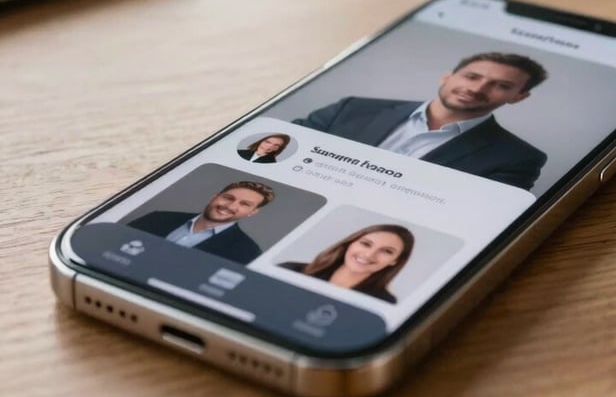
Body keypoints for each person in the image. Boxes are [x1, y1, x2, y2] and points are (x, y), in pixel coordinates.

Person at [293, 52, 548, 189]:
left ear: (519, 97)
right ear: (447, 77)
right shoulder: (353, 108)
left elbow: (476, 217)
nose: (477, 88)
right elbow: (283, 147)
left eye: (501, 85)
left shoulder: (519, 158)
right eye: (471, 76)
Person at [127, 181, 275, 265]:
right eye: (228, 198)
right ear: (214, 197)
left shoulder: (247, 251)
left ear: (252, 212)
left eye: (244, 204)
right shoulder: (158, 217)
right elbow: (116, 243)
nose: (230, 206)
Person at [281, 224, 415, 304]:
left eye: (386, 251)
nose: (369, 255)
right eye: (366, 244)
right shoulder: (291, 269)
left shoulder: (384, 302)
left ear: (395, 260)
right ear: (350, 243)